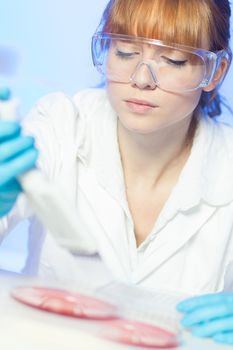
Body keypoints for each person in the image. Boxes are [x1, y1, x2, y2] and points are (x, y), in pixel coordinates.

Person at [0, 0, 233, 345]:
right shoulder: (60, 125)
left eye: (173, 60)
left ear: (214, 72)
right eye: (125, 52)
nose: (141, 79)